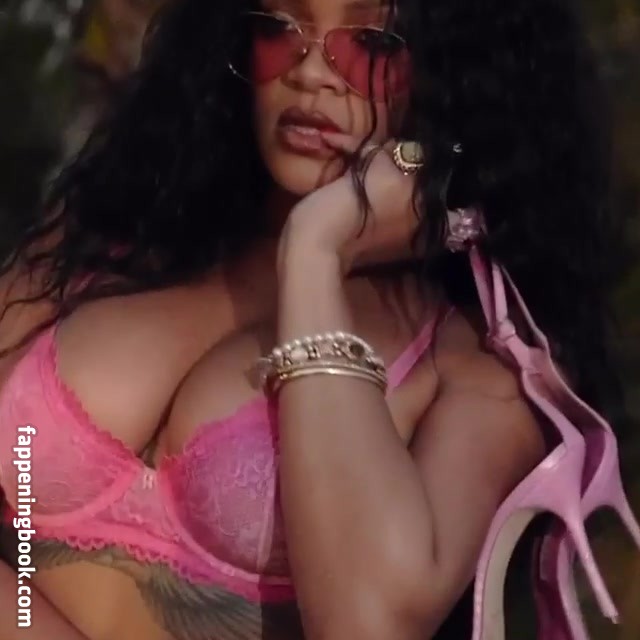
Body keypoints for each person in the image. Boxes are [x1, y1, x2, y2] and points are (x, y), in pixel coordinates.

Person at [0, 0, 634, 639]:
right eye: (279, 28)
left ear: (462, 75)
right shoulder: (108, 234)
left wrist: (315, 251)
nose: (308, 72)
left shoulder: (480, 364)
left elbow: (367, 624)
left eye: (371, 45)